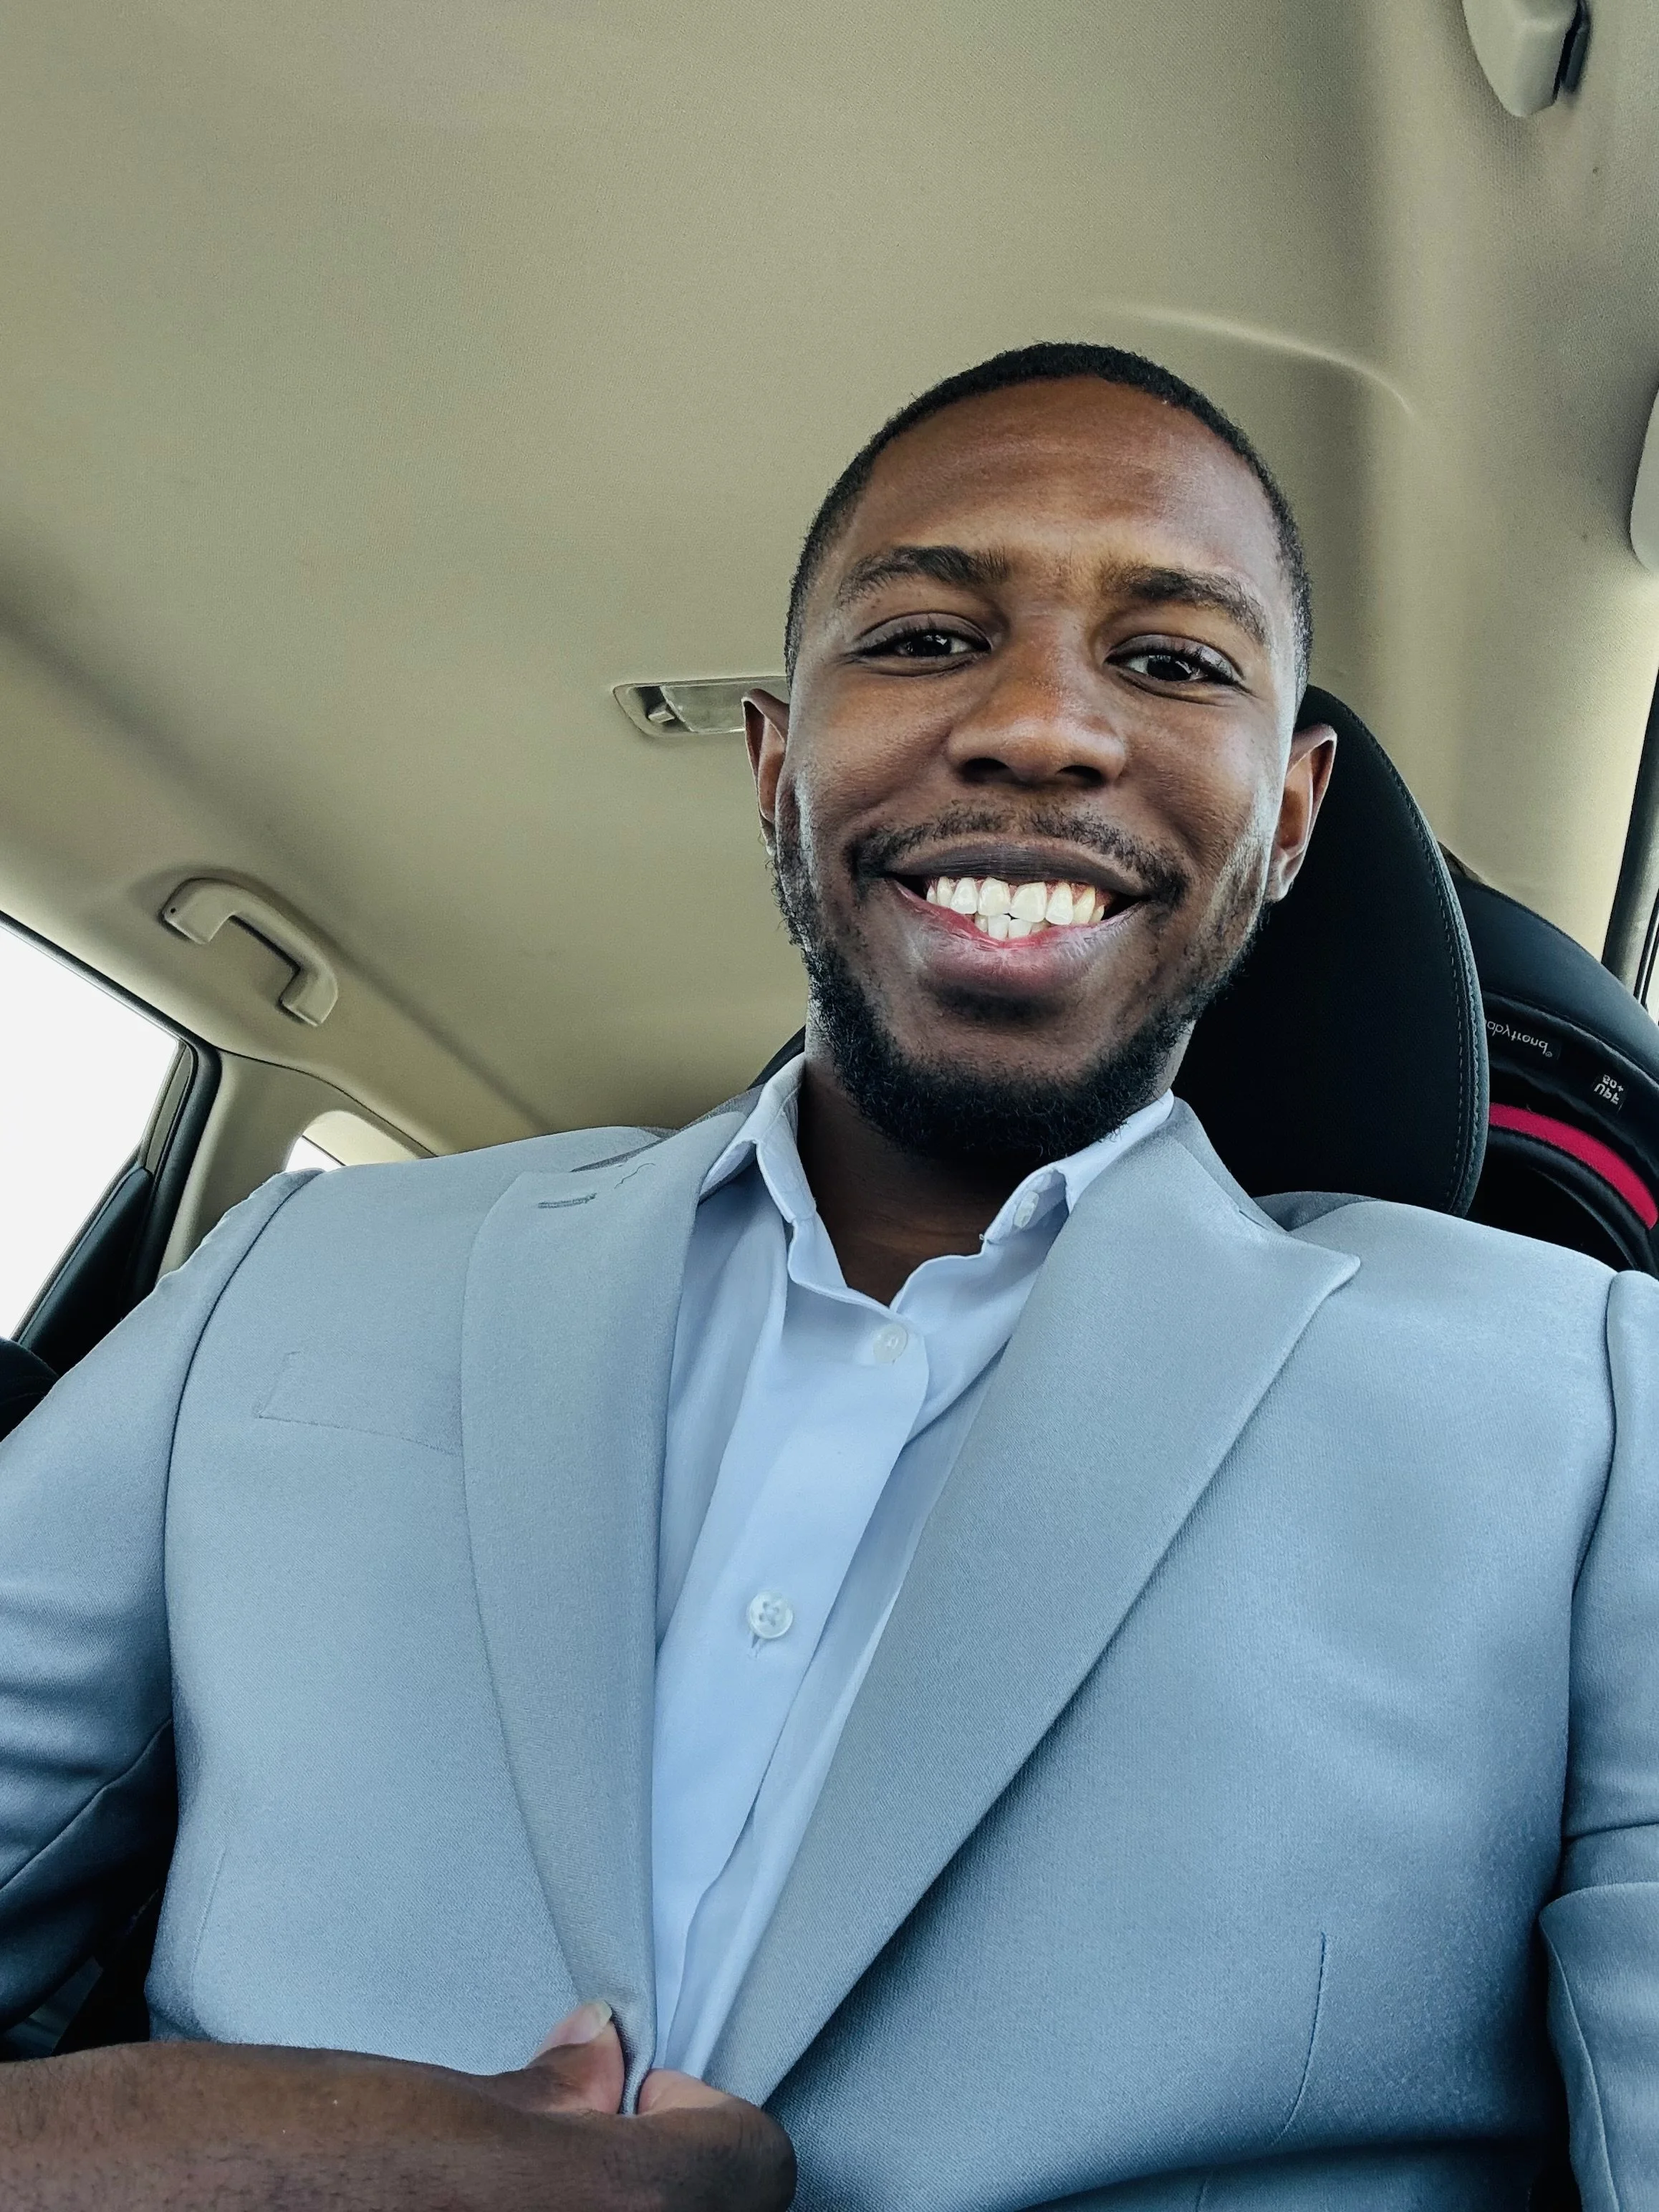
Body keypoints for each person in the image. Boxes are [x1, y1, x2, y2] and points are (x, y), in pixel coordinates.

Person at [0, 340, 1648, 2211]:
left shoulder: (1593, 1407)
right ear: (778, 767)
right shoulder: (300, 1284)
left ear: (1286, 816)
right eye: (927, 638)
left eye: (1174, 660)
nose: (1040, 725)